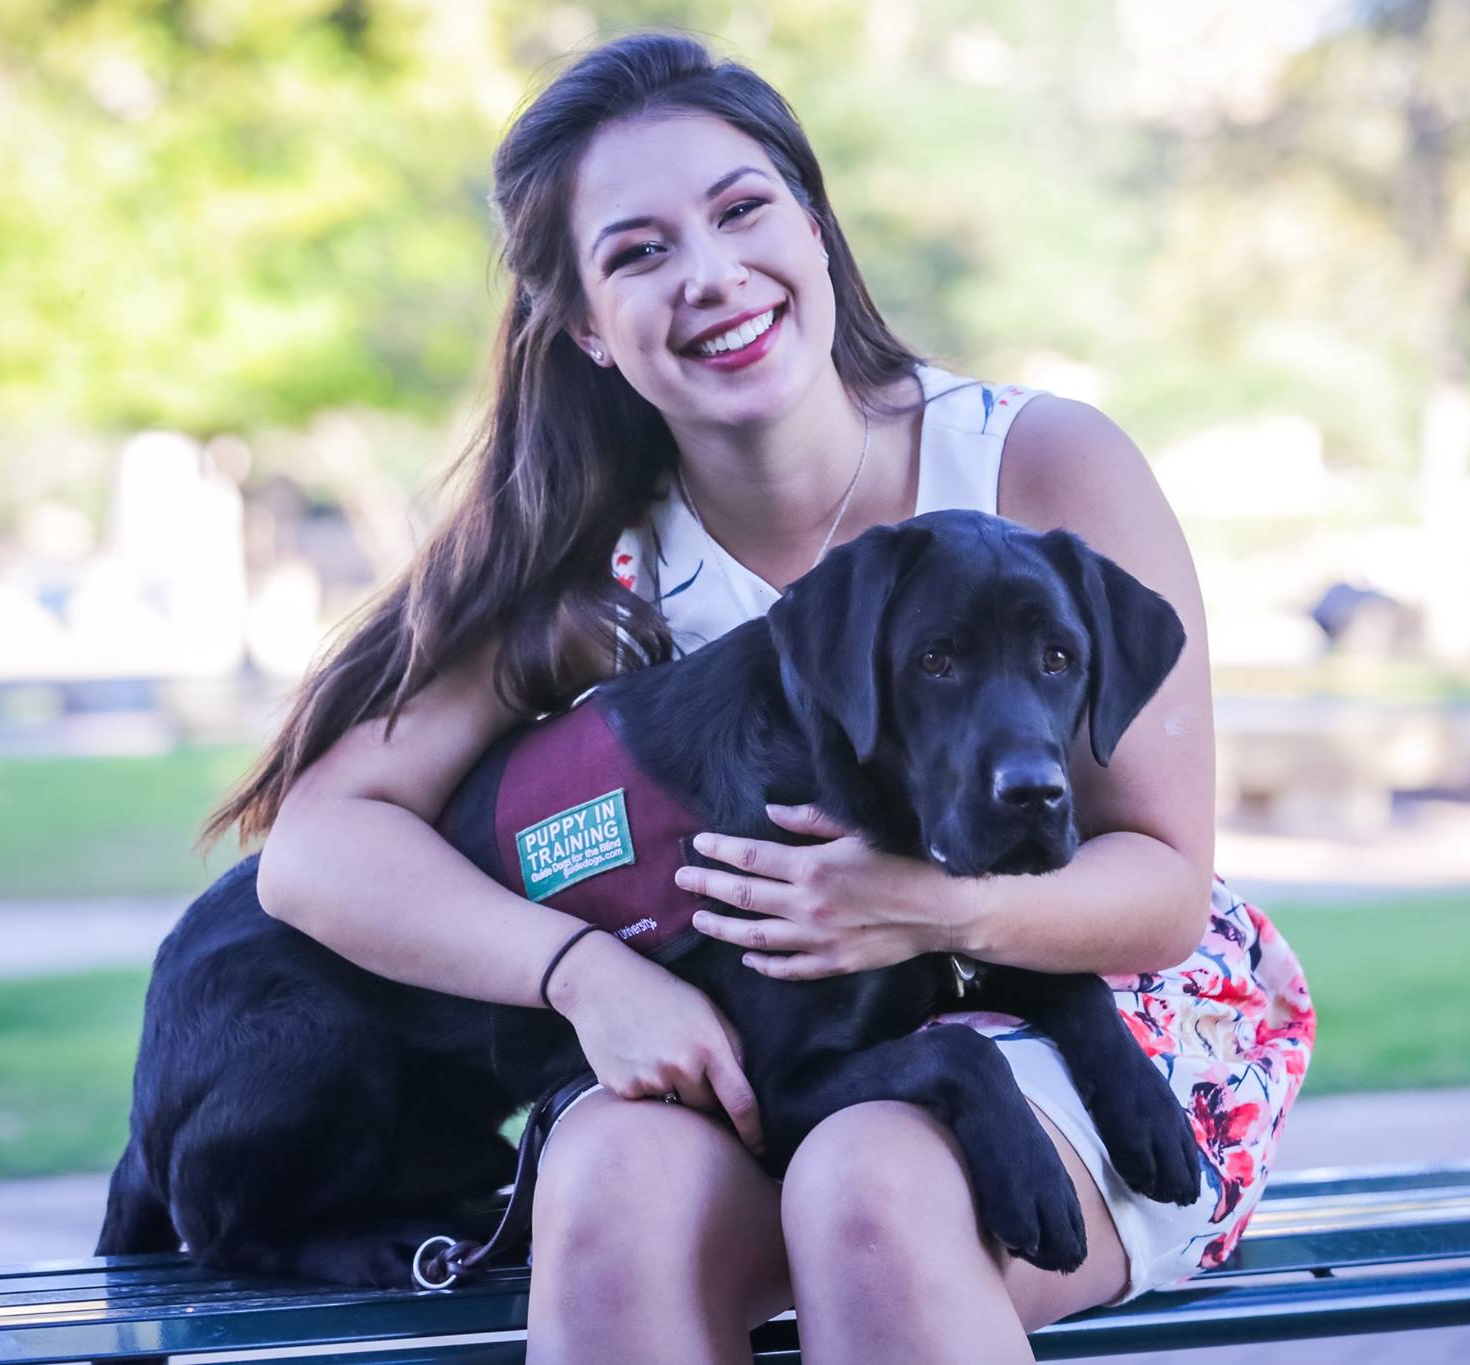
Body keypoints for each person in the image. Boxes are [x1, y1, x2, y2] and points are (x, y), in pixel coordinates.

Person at [209, 30, 1314, 1365]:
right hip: (778, 1054)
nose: (711, 275)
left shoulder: (1035, 465)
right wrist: (585, 974)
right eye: (638, 251)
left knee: (876, 1183)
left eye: (742, 210)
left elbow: (1159, 888)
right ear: (583, 329)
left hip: (1088, 1010)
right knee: (610, 1181)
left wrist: (924, 905)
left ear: (815, 224)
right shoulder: (578, 561)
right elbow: (318, 850)